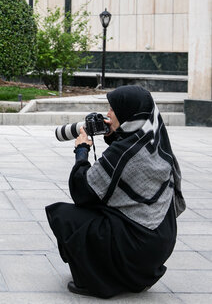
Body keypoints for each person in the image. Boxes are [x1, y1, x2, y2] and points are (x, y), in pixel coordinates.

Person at [46, 85, 186, 298]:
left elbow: (82, 191)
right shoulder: (153, 138)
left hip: (139, 248)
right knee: (102, 213)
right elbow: (119, 169)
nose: (108, 114)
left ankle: (92, 282)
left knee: (65, 216)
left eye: (112, 109)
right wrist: (113, 134)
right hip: (158, 243)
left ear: (128, 113)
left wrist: (82, 150)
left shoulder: (126, 152)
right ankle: (133, 276)